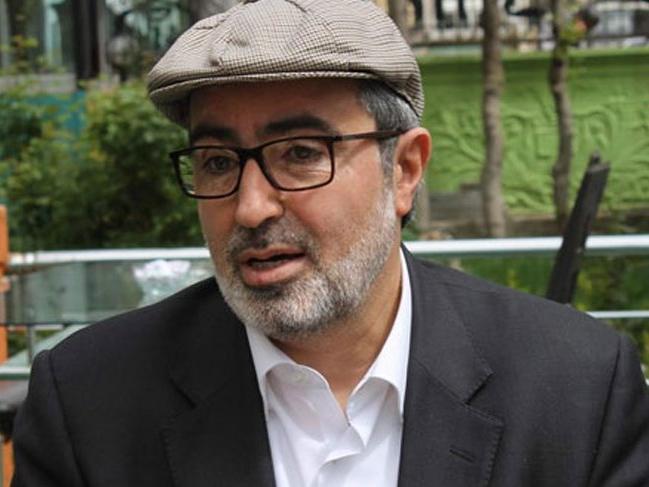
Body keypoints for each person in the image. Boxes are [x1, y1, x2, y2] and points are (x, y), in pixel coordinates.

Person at [11, 0, 649, 486]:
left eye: (300, 153)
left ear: (404, 171)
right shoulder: (90, 403)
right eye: (217, 162)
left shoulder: (575, 390)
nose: (251, 207)